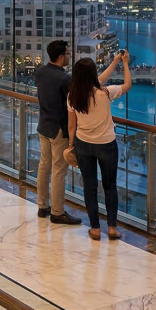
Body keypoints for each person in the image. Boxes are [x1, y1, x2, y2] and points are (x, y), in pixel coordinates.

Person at [65, 50, 129, 241]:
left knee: (90, 186)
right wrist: (124, 63)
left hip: (83, 144)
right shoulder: (105, 93)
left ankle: (94, 228)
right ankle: (111, 228)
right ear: (93, 75)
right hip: (106, 144)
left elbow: (71, 125)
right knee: (110, 186)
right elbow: (127, 85)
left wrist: (70, 145)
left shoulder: (73, 97)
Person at [34, 40, 81, 225]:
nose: (69, 56)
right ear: (61, 56)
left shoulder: (41, 72)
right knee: (59, 171)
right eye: (68, 53)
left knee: (44, 166)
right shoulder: (65, 79)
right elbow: (74, 103)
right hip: (59, 129)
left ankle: (42, 206)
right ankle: (58, 212)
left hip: (43, 125)